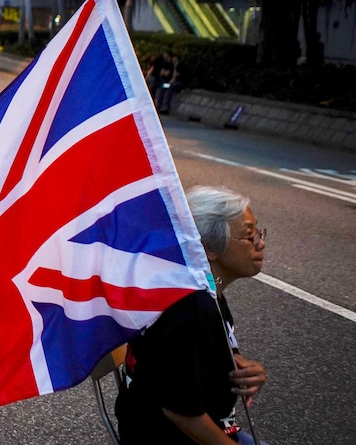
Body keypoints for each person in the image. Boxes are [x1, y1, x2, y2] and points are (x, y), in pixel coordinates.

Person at [115, 186, 268, 445]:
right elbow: (182, 413)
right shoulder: (191, 308)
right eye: (249, 236)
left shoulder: (205, 288)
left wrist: (243, 368)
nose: (260, 243)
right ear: (208, 247)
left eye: (258, 234)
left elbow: (196, 356)